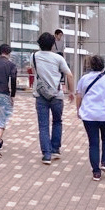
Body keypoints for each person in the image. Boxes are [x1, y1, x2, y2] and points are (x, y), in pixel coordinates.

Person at [32, 32, 75, 164]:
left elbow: (35, 71)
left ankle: (46, 154)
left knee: (43, 125)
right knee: (57, 121)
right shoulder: (58, 58)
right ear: (52, 45)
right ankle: (55, 149)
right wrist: (71, 92)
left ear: (39, 44)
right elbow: (69, 75)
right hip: (57, 95)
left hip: (40, 95)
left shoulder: (33, 56)